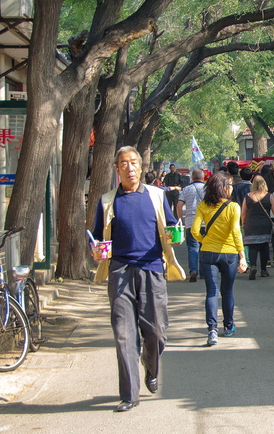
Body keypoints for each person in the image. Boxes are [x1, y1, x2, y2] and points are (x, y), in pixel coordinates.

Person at [91, 146, 185, 412]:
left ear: (141, 167)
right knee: (123, 335)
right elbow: (98, 237)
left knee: (156, 332)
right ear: (116, 169)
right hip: (120, 271)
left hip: (152, 269)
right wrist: (96, 249)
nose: (130, 167)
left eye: (134, 162)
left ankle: (151, 367)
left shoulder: (157, 195)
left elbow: (170, 228)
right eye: (124, 163)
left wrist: (175, 234)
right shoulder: (107, 200)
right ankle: (130, 395)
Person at [191, 172, 248, 345]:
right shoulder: (233, 207)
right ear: (223, 187)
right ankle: (229, 327)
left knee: (212, 292)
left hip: (207, 252)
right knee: (227, 291)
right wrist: (242, 256)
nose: (231, 188)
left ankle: (212, 331)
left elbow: (194, 231)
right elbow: (236, 232)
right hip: (229, 254)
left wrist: (204, 240)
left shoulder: (203, 205)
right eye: (229, 185)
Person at [241, 175, 274, 280]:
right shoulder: (269, 196)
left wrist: (243, 224)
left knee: (252, 247)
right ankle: (263, 270)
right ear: (264, 184)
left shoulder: (247, 196)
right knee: (264, 247)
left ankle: (252, 266)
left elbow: (243, 213)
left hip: (251, 225)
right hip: (264, 225)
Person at [177, 168, 207, 282]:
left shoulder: (186, 189)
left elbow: (179, 204)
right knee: (204, 247)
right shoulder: (207, 189)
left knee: (192, 248)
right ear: (203, 178)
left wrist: (180, 219)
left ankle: (193, 270)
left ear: (192, 178)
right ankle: (204, 272)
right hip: (206, 222)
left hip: (190, 222)